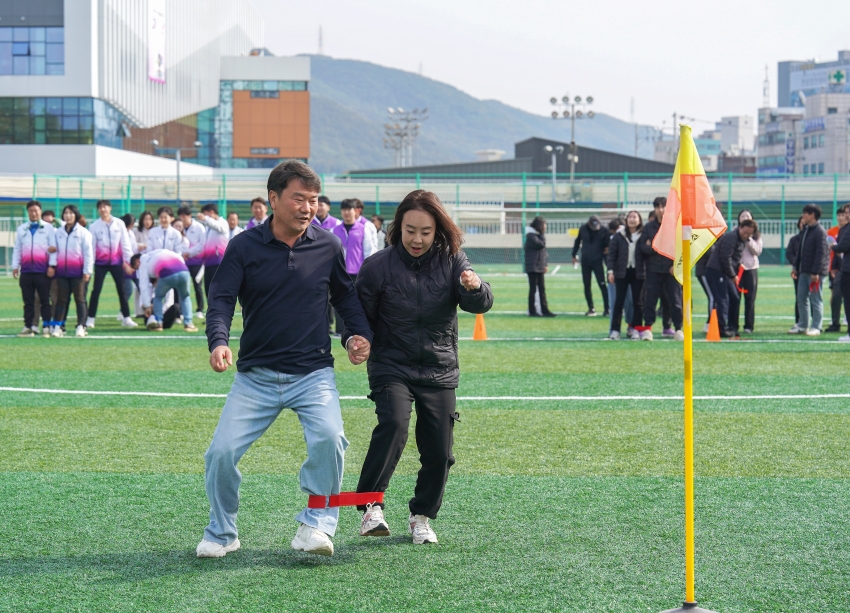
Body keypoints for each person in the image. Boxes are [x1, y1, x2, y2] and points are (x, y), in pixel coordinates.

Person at [198, 160, 373, 559]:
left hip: (313, 374)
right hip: (255, 377)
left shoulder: (328, 244)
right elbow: (222, 298)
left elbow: (345, 297)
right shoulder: (243, 246)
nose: (308, 207)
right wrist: (218, 341)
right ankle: (222, 532)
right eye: (299, 199)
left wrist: (355, 336)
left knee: (330, 440)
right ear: (274, 198)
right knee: (219, 453)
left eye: (313, 200)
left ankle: (316, 526)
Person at [347, 189, 493, 545]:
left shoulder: (453, 260)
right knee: (394, 422)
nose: (417, 239)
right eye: (410, 230)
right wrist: (354, 340)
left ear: (438, 230)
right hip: (391, 364)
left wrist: (474, 288)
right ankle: (370, 505)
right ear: (398, 228)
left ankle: (421, 516)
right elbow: (356, 316)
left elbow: (482, 303)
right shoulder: (377, 266)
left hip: (438, 367)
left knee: (440, 450)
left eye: (425, 232)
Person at [85, 200, 136, 329]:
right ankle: (90, 318)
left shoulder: (119, 224)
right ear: (98, 210)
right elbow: (92, 248)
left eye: (105, 207)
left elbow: (125, 244)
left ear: (110, 208)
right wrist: (89, 267)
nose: (103, 210)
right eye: (100, 207)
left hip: (116, 262)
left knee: (122, 290)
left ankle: (126, 318)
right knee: (96, 290)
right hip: (101, 264)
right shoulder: (94, 226)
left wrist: (129, 263)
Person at [332, 199, 379, 334]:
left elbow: (369, 252)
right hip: (340, 272)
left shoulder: (363, 229)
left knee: (362, 301)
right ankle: (340, 330)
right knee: (339, 301)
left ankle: (362, 329)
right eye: (344, 209)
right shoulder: (334, 230)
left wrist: (368, 272)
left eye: (349, 209)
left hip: (358, 273)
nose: (347, 212)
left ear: (355, 211)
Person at [639, 197, 683, 341]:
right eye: (657, 207)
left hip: (671, 270)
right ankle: (648, 329)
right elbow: (643, 247)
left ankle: (678, 329)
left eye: (663, 206)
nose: (660, 210)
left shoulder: (675, 226)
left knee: (675, 301)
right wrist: (654, 247)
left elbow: (680, 247)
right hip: (653, 269)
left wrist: (675, 265)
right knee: (650, 300)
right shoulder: (648, 227)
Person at [12, 200, 57, 338]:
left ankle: (46, 326)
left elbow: (54, 248)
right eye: (31, 211)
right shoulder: (22, 229)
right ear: (28, 212)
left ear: (40, 211)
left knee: (44, 300)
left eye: (36, 210)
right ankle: (29, 326)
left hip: (42, 270)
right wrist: (15, 266)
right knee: (28, 301)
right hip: (26, 271)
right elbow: (17, 249)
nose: (34, 213)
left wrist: (52, 265)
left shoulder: (48, 228)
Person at [706, 220, 756, 338]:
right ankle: (721, 328)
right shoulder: (731, 237)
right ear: (740, 227)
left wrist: (738, 266)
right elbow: (725, 258)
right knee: (723, 299)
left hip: (725, 272)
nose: (746, 235)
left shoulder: (742, 240)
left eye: (749, 234)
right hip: (716, 271)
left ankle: (732, 326)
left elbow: (734, 258)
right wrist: (733, 275)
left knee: (735, 297)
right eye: (745, 232)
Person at [52, 205, 93, 338]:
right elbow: (54, 251)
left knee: (80, 299)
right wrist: (53, 266)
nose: (68, 216)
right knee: (61, 300)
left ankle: (81, 326)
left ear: (76, 215)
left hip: (78, 273)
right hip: (62, 273)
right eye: (66, 213)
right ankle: (59, 326)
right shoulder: (58, 232)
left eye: (71, 213)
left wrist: (87, 271)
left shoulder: (83, 233)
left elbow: (88, 254)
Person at [132, 250, 197, 333]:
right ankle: (189, 323)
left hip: (166, 273)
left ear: (138, 261)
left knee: (158, 297)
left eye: (136, 267)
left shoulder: (143, 261)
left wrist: (147, 306)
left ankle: (159, 323)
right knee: (185, 297)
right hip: (184, 270)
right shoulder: (163, 252)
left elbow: (143, 285)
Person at [789, 204, 829, 336]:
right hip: (803, 271)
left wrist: (815, 272)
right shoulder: (806, 230)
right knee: (801, 298)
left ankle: (816, 326)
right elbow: (800, 251)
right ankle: (803, 325)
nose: (803, 216)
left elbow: (821, 253)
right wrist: (795, 266)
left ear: (812, 215)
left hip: (815, 273)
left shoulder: (820, 232)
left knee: (816, 299)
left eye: (805, 213)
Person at [607, 210, 644, 340]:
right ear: (626, 220)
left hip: (638, 272)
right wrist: (610, 271)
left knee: (637, 303)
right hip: (621, 272)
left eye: (635, 217)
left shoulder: (644, 235)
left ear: (639, 220)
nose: (632, 219)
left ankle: (636, 329)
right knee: (619, 302)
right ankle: (615, 330)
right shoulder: (619, 236)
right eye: (630, 217)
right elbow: (612, 255)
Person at [572, 215, 610, 316]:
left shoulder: (604, 230)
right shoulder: (583, 228)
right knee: (587, 285)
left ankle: (607, 308)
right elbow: (577, 241)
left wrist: (607, 255)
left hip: (598, 261)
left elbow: (608, 245)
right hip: (585, 262)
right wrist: (573, 255)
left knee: (602, 285)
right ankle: (591, 308)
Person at [736, 210, 763, 335]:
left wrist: (749, 239)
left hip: (751, 269)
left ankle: (749, 326)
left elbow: (757, 251)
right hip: (736, 269)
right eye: (743, 216)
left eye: (747, 216)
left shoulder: (756, 236)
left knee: (750, 299)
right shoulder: (735, 233)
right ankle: (733, 325)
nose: (745, 217)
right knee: (735, 298)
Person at [178, 205, 207, 320]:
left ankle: (199, 309)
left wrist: (188, 253)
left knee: (197, 286)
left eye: (185, 215)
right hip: (182, 262)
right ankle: (180, 311)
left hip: (196, 261)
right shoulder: (178, 227)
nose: (183, 218)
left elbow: (202, 245)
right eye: (181, 216)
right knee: (180, 286)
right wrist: (182, 254)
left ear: (189, 216)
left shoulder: (199, 227)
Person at [198, 203, 230, 300]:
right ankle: (212, 313)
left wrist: (206, 219)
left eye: (206, 214)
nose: (204, 217)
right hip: (208, 263)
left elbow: (218, 227)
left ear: (211, 212)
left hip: (218, 261)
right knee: (208, 290)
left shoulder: (222, 223)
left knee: (218, 289)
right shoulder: (208, 227)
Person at [524, 216, 554, 317]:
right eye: (544, 224)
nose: (545, 226)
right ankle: (532, 311)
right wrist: (542, 234)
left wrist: (545, 264)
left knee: (541, 289)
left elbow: (543, 252)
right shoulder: (531, 236)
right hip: (533, 267)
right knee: (533, 290)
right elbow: (541, 245)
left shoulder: (535, 235)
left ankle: (544, 310)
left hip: (539, 267)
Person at [825, 205, 849, 332]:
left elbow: (841, 247)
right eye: (842, 214)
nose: (844, 216)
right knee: (836, 296)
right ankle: (835, 322)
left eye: (846, 213)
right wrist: (833, 267)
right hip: (842, 268)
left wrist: (835, 247)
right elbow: (838, 253)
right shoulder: (840, 230)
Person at [786, 216, 805, 328]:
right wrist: (796, 264)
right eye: (801, 222)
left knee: (813, 297)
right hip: (798, 272)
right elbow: (789, 253)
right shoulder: (794, 240)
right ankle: (799, 321)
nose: (803, 224)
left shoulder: (813, 237)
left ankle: (813, 322)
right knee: (799, 297)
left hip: (810, 271)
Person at [695, 243, 715, 333]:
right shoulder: (707, 240)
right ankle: (709, 323)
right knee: (712, 297)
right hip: (703, 272)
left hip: (708, 272)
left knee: (714, 297)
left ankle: (711, 323)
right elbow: (711, 253)